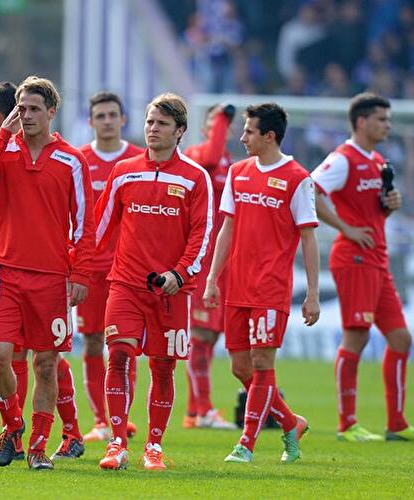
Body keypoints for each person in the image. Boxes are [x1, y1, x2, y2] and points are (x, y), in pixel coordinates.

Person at [0, 75, 95, 470]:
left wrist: (81, 273)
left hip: (51, 277)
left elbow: (85, 224)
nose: (28, 116)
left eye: (35, 109)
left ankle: (38, 447)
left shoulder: (72, 160)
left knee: (46, 365)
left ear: (52, 112)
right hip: (3, 271)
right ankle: (14, 426)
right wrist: (1, 136)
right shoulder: (4, 150)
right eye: (21, 109)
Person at [95, 93, 212, 471]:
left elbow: (202, 234)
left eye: (161, 123)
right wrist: (75, 268)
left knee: (163, 367)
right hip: (125, 284)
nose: (152, 129)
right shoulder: (125, 171)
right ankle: (116, 442)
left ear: (179, 131)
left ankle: (154, 446)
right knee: (119, 355)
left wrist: (179, 274)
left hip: (172, 290)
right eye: (149, 122)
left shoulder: (196, 177)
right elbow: (98, 227)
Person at [310, 93, 414, 442]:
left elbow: (372, 211)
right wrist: (344, 227)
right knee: (357, 336)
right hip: (354, 258)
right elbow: (308, 189)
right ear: (362, 122)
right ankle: (347, 424)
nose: (388, 125)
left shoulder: (378, 160)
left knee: (401, 338)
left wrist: (389, 206)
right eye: (382, 119)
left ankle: (397, 423)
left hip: (378, 259)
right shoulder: (342, 159)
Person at [203, 103, 319, 464]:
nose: (242, 138)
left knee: (262, 362)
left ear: (269, 136)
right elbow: (227, 228)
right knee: (241, 368)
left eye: (249, 131)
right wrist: (212, 278)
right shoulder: (237, 173)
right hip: (237, 285)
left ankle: (246, 444)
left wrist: (313, 294)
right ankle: (290, 422)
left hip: (271, 288)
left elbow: (309, 238)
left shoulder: (298, 178)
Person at [77, 91, 144, 442]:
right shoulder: (80, 160)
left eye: (112, 115)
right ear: (91, 121)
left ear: (123, 120)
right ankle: (101, 420)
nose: (106, 121)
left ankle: (123, 416)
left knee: (123, 346)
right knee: (91, 344)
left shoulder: (138, 159)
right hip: (89, 269)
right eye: (100, 115)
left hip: (127, 270)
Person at [181, 103, 238, 430]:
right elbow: (213, 156)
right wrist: (221, 116)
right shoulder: (198, 154)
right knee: (199, 335)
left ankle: (193, 411)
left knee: (211, 336)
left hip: (224, 259)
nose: (223, 128)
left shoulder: (232, 163)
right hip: (201, 258)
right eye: (217, 123)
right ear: (206, 127)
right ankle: (203, 410)